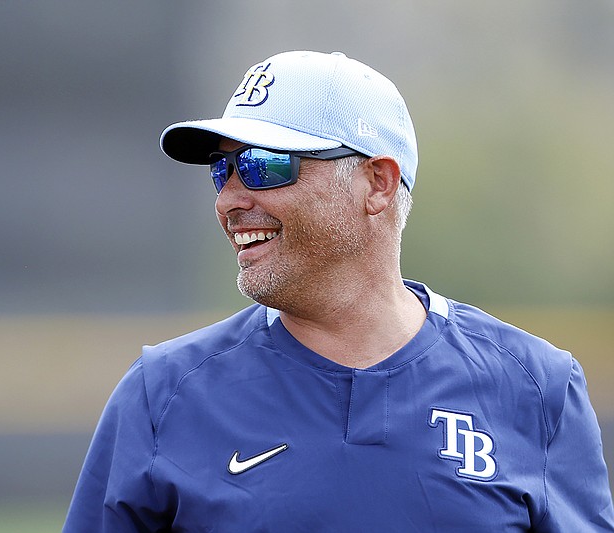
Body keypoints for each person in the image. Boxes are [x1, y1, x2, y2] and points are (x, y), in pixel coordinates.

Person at [63, 50, 614, 531]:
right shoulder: (163, 395)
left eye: (263, 165)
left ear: (378, 182)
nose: (229, 199)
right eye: (221, 170)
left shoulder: (537, 388)